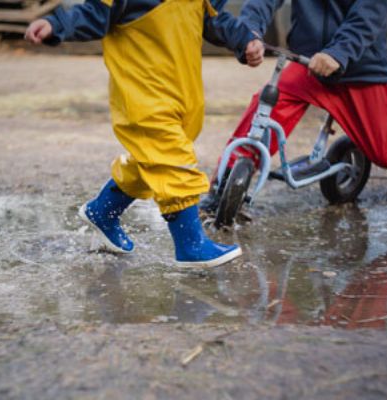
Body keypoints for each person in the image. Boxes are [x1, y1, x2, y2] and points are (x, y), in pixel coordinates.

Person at [25, 0, 263, 268]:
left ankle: (103, 210)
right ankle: (190, 245)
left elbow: (214, 20)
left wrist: (244, 40)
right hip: (143, 93)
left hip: (182, 93)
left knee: (152, 160)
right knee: (173, 160)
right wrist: (55, 24)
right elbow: (91, 14)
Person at [200, 0, 387, 214]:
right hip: (307, 62)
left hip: (358, 67)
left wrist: (339, 52)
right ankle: (225, 183)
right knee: (267, 107)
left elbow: (372, 9)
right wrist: (250, 31)